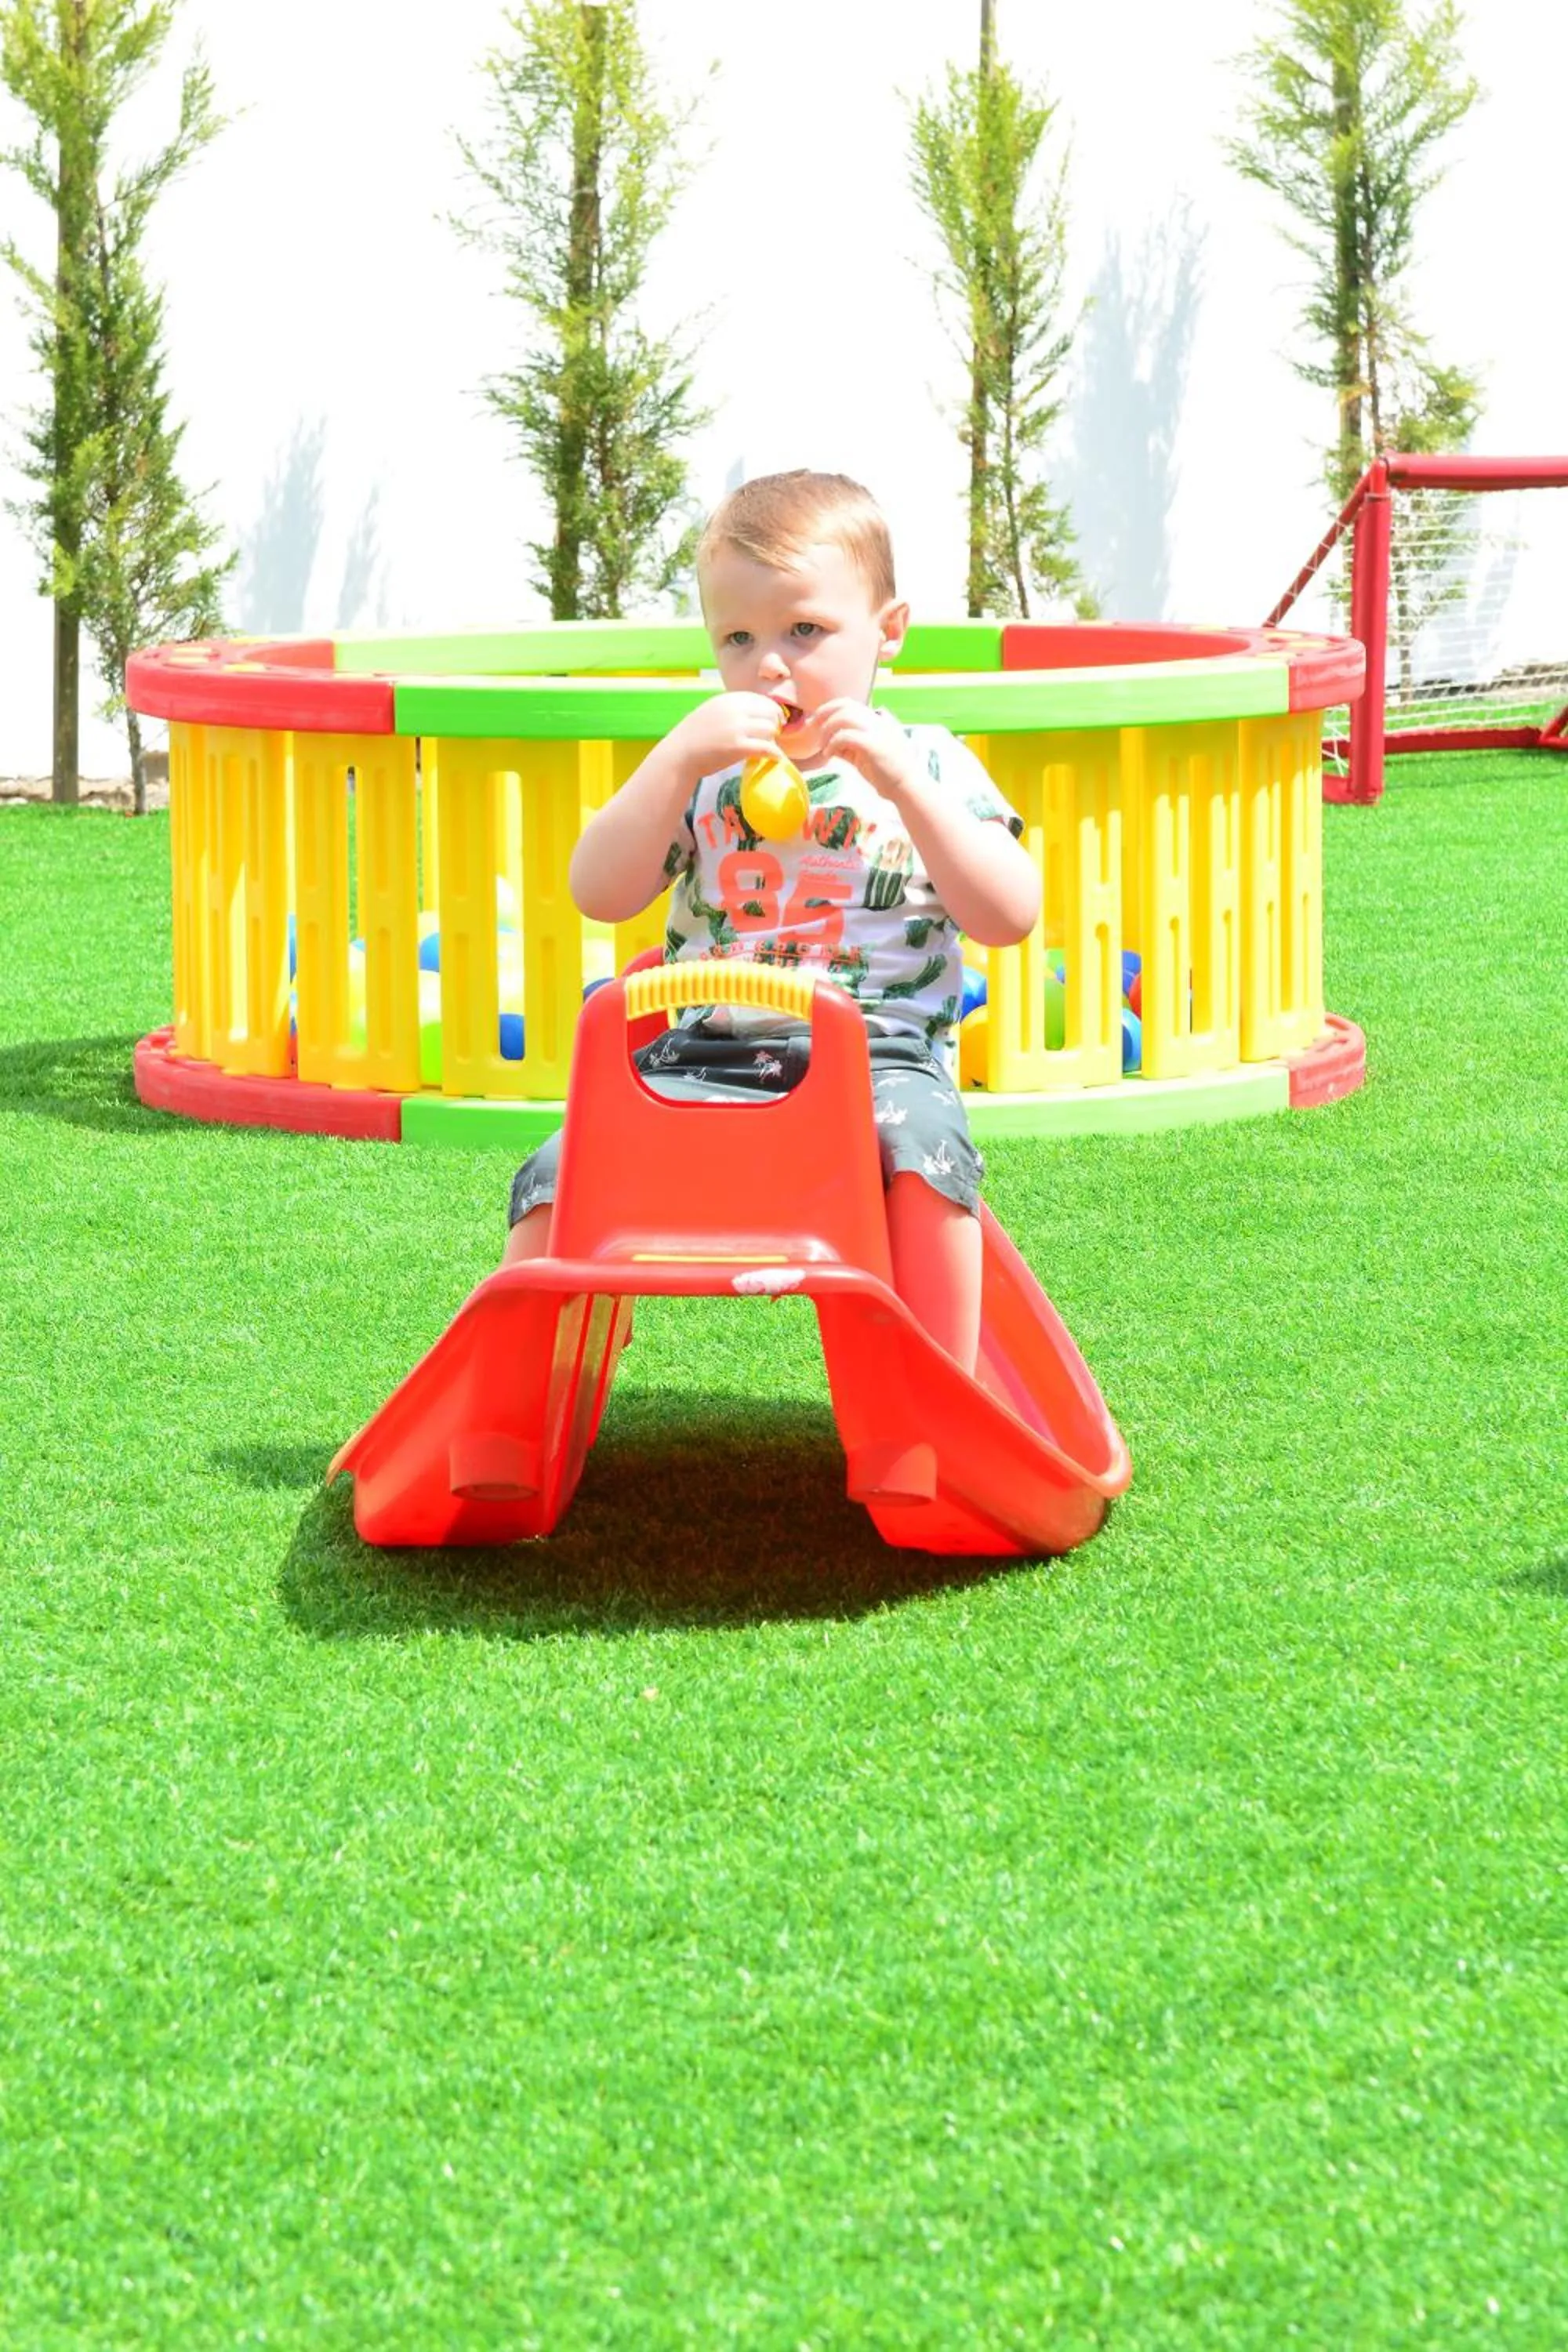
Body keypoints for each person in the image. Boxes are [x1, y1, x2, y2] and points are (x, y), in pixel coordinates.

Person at [503, 470, 1041, 1373]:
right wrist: (674, 758)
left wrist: (904, 784)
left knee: (925, 1155)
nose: (771, 666)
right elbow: (598, 891)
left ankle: (937, 1388)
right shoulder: (706, 773)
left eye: (806, 631)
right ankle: (527, 1381)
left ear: (889, 632)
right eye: (738, 638)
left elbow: (1008, 915)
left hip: (880, 1063)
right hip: (708, 1052)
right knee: (563, 1165)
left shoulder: (932, 766)